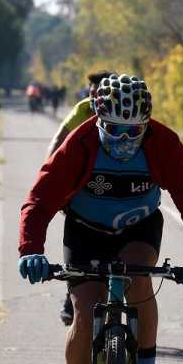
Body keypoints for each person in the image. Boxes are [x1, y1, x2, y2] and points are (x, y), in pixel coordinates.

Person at [18, 74, 183, 364]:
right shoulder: (80, 144)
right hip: (85, 230)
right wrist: (31, 249)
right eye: (113, 130)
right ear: (98, 119)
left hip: (138, 228)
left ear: (147, 125)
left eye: (133, 131)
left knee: (138, 280)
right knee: (84, 311)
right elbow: (40, 199)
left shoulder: (163, 143)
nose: (124, 140)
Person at [49, 70, 116, 327]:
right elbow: (58, 141)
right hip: (82, 179)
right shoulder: (83, 109)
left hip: (113, 181)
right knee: (79, 245)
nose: (95, 97)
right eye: (91, 92)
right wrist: (51, 177)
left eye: (100, 92)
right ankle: (72, 294)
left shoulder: (122, 111)